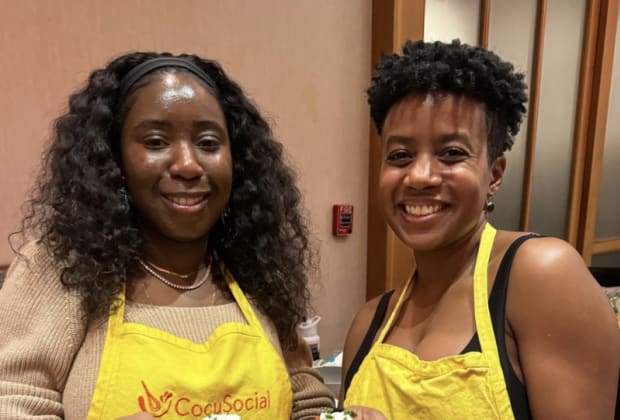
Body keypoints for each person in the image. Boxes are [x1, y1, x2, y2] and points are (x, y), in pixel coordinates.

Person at [0, 52, 335, 419]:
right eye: (156, 142)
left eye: (208, 143)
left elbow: (306, 400)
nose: (188, 165)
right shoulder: (62, 268)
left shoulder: (256, 271)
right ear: (114, 160)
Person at [339, 40, 620, 419]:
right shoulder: (367, 324)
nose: (419, 176)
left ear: (495, 175)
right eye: (400, 156)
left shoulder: (542, 275)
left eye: (452, 153)